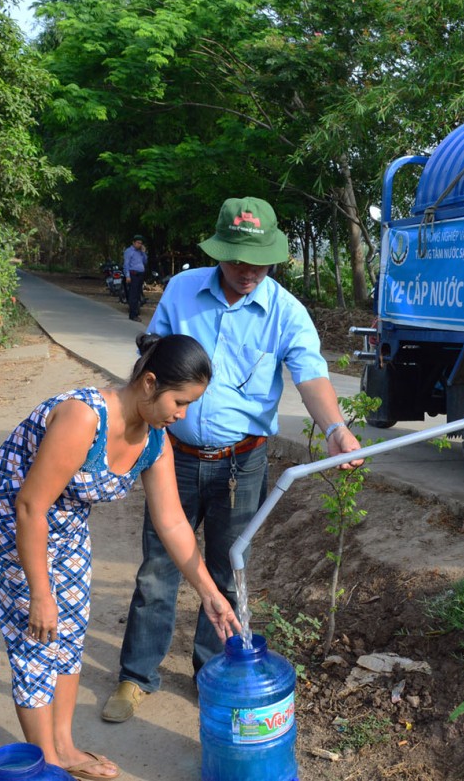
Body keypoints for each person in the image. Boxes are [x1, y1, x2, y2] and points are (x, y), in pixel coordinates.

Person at [102, 196, 363, 723]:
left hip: (242, 465)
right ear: (219, 251)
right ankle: (136, 677)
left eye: (259, 260)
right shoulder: (182, 290)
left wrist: (335, 428)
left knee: (224, 570)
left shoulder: (286, 311)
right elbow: (150, 362)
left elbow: (310, 375)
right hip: (171, 455)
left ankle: (210, 673)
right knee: (159, 567)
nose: (248, 271)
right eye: (238, 259)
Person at [0, 334, 240, 780]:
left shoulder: (156, 440)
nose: (182, 414)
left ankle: (66, 747)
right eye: (180, 401)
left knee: (70, 632)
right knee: (37, 642)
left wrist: (209, 594)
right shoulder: (83, 417)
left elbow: (172, 523)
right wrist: (40, 592)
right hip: (12, 519)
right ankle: (47, 767)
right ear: (150, 383)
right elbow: (30, 506)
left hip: (66, 522)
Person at [123, 234, 148, 321]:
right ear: (133, 242)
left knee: (138, 295)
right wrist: (127, 276)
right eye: (138, 243)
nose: (139, 245)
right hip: (133, 274)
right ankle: (132, 315)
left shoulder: (140, 252)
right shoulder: (129, 251)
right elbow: (126, 264)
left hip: (140, 275)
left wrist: (144, 252)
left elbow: (145, 262)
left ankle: (136, 313)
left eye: (141, 243)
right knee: (133, 295)